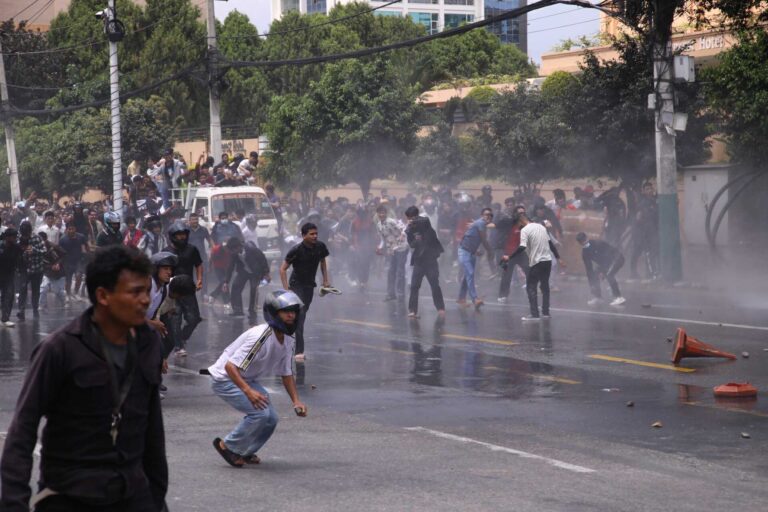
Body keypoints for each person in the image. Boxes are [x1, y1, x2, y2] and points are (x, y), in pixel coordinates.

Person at [0, 245, 168, 511]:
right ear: (103, 295)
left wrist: (156, 497)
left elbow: (153, 432)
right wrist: (14, 504)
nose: (145, 300)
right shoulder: (60, 349)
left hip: (133, 494)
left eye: (147, 291)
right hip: (71, 496)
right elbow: (22, 432)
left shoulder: (148, 344)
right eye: (135, 292)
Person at [209, 289, 308, 468]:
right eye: (286, 311)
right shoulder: (261, 337)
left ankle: (245, 451)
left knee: (271, 419)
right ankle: (228, 446)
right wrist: (248, 392)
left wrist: (296, 401)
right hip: (225, 379)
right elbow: (230, 367)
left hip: (246, 379)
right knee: (260, 414)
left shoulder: (287, 339)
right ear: (274, 313)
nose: (291, 315)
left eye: (294, 311)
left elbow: (286, 372)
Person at [279, 222, 330, 362]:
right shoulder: (296, 250)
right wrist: (286, 289)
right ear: (303, 235)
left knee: (301, 314)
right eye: (311, 234)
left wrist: (325, 280)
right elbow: (282, 269)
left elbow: (323, 262)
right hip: (296, 286)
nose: (315, 236)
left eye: (316, 234)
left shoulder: (320, 247)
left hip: (309, 286)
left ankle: (283, 335)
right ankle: (299, 351)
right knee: (300, 315)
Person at [505, 213, 564, 321]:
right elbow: (550, 244)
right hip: (547, 261)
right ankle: (546, 313)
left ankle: (534, 314)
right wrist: (558, 258)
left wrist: (511, 256)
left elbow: (522, 247)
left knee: (531, 287)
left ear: (521, 221)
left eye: (518, 224)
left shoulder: (525, 230)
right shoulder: (541, 227)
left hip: (536, 262)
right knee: (545, 287)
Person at [167, 221, 203, 357]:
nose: (182, 237)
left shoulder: (192, 249)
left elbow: (199, 264)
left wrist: (200, 280)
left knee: (194, 318)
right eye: (179, 235)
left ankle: (182, 338)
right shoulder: (167, 252)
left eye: (184, 234)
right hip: (173, 291)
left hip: (188, 289)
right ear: (172, 236)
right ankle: (178, 346)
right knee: (175, 319)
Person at [405, 206, 445, 318]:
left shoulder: (425, 221)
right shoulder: (410, 229)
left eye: (412, 218)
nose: (410, 221)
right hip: (419, 260)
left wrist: (417, 226)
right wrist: (412, 234)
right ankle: (412, 310)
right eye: (409, 218)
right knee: (414, 286)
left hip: (430, 260)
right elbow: (411, 244)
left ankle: (440, 308)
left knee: (435, 285)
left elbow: (429, 234)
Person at [222, 237, 270, 323]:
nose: (231, 252)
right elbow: (230, 267)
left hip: (255, 272)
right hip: (243, 271)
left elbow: (262, 259)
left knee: (254, 290)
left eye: (232, 250)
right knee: (236, 286)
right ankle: (238, 310)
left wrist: (266, 273)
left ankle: (252, 311)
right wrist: (226, 281)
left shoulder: (252, 249)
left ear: (238, 247)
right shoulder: (234, 254)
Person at [457, 207, 494, 309]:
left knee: (467, 275)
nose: (488, 216)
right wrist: (490, 251)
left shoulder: (481, 224)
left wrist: (475, 250)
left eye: (490, 215)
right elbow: (483, 240)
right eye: (486, 214)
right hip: (464, 251)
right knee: (470, 273)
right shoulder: (481, 223)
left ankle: (461, 298)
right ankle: (475, 299)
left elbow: (473, 238)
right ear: (482, 216)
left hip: (471, 252)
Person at [576, 232, 626, 306]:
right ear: (580, 243)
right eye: (582, 242)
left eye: (584, 240)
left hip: (617, 258)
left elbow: (608, 256)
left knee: (609, 275)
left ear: (587, 238)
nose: (585, 242)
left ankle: (619, 297)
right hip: (606, 262)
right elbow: (589, 269)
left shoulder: (597, 243)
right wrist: (592, 284)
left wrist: (603, 271)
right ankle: (598, 297)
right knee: (595, 274)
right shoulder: (585, 252)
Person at [375, 205, 408, 302]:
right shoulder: (379, 225)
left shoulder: (391, 221)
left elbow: (404, 229)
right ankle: (391, 294)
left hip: (401, 248)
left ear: (386, 213)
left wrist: (402, 236)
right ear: (377, 214)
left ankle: (401, 294)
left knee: (400, 271)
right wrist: (380, 247)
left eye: (383, 212)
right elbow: (383, 239)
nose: (381, 214)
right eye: (380, 212)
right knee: (391, 271)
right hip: (392, 249)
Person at [496, 205, 529, 303]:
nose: (521, 215)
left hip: (521, 253)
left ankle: (531, 291)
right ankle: (503, 295)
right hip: (508, 253)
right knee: (506, 275)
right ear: (515, 214)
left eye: (523, 213)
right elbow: (497, 225)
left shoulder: (526, 224)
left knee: (530, 271)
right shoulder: (508, 223)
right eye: (519, 213)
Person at [17, 221, 47, 320]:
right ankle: (21, 310)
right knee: (22, 288)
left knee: (36, 290)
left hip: (36, 268)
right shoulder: (18, 238)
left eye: (27, 234)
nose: (25, 236)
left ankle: (35, 309)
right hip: (24, 269)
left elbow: (44, 251)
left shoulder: (37, 238)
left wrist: (34, 250)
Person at [38, 231, 68, 312]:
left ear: (45, 239)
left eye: (42, 240)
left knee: (58, 291)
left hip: (59, 272)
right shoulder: (38, 248)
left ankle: (64, 301)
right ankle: (41, 305)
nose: (41, 242)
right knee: (43, 288)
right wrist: (50, 266)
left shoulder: (54, 247)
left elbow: (64, 255)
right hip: (47, 272)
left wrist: (58, 264)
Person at [59, 222, 89, 302]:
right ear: (66, 230)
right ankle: (68, 294)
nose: (71, 231)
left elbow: (86, 246)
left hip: (78, 261)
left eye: (73, 229)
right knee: (68, 279)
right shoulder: (63, 240)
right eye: (69, 229)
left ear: (75, 229)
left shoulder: (81, 237)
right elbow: (60, 252)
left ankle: (75, 293)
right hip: (67, 262)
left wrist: (85, 254)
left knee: (79, 276)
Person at [0, 228, 22, 327]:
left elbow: (19, 260)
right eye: (13, 237)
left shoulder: (16, 247)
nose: (14, 239)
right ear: (7, 237)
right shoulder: (0, 246)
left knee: (9, 296)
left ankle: (5, 318)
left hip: (9, 275)